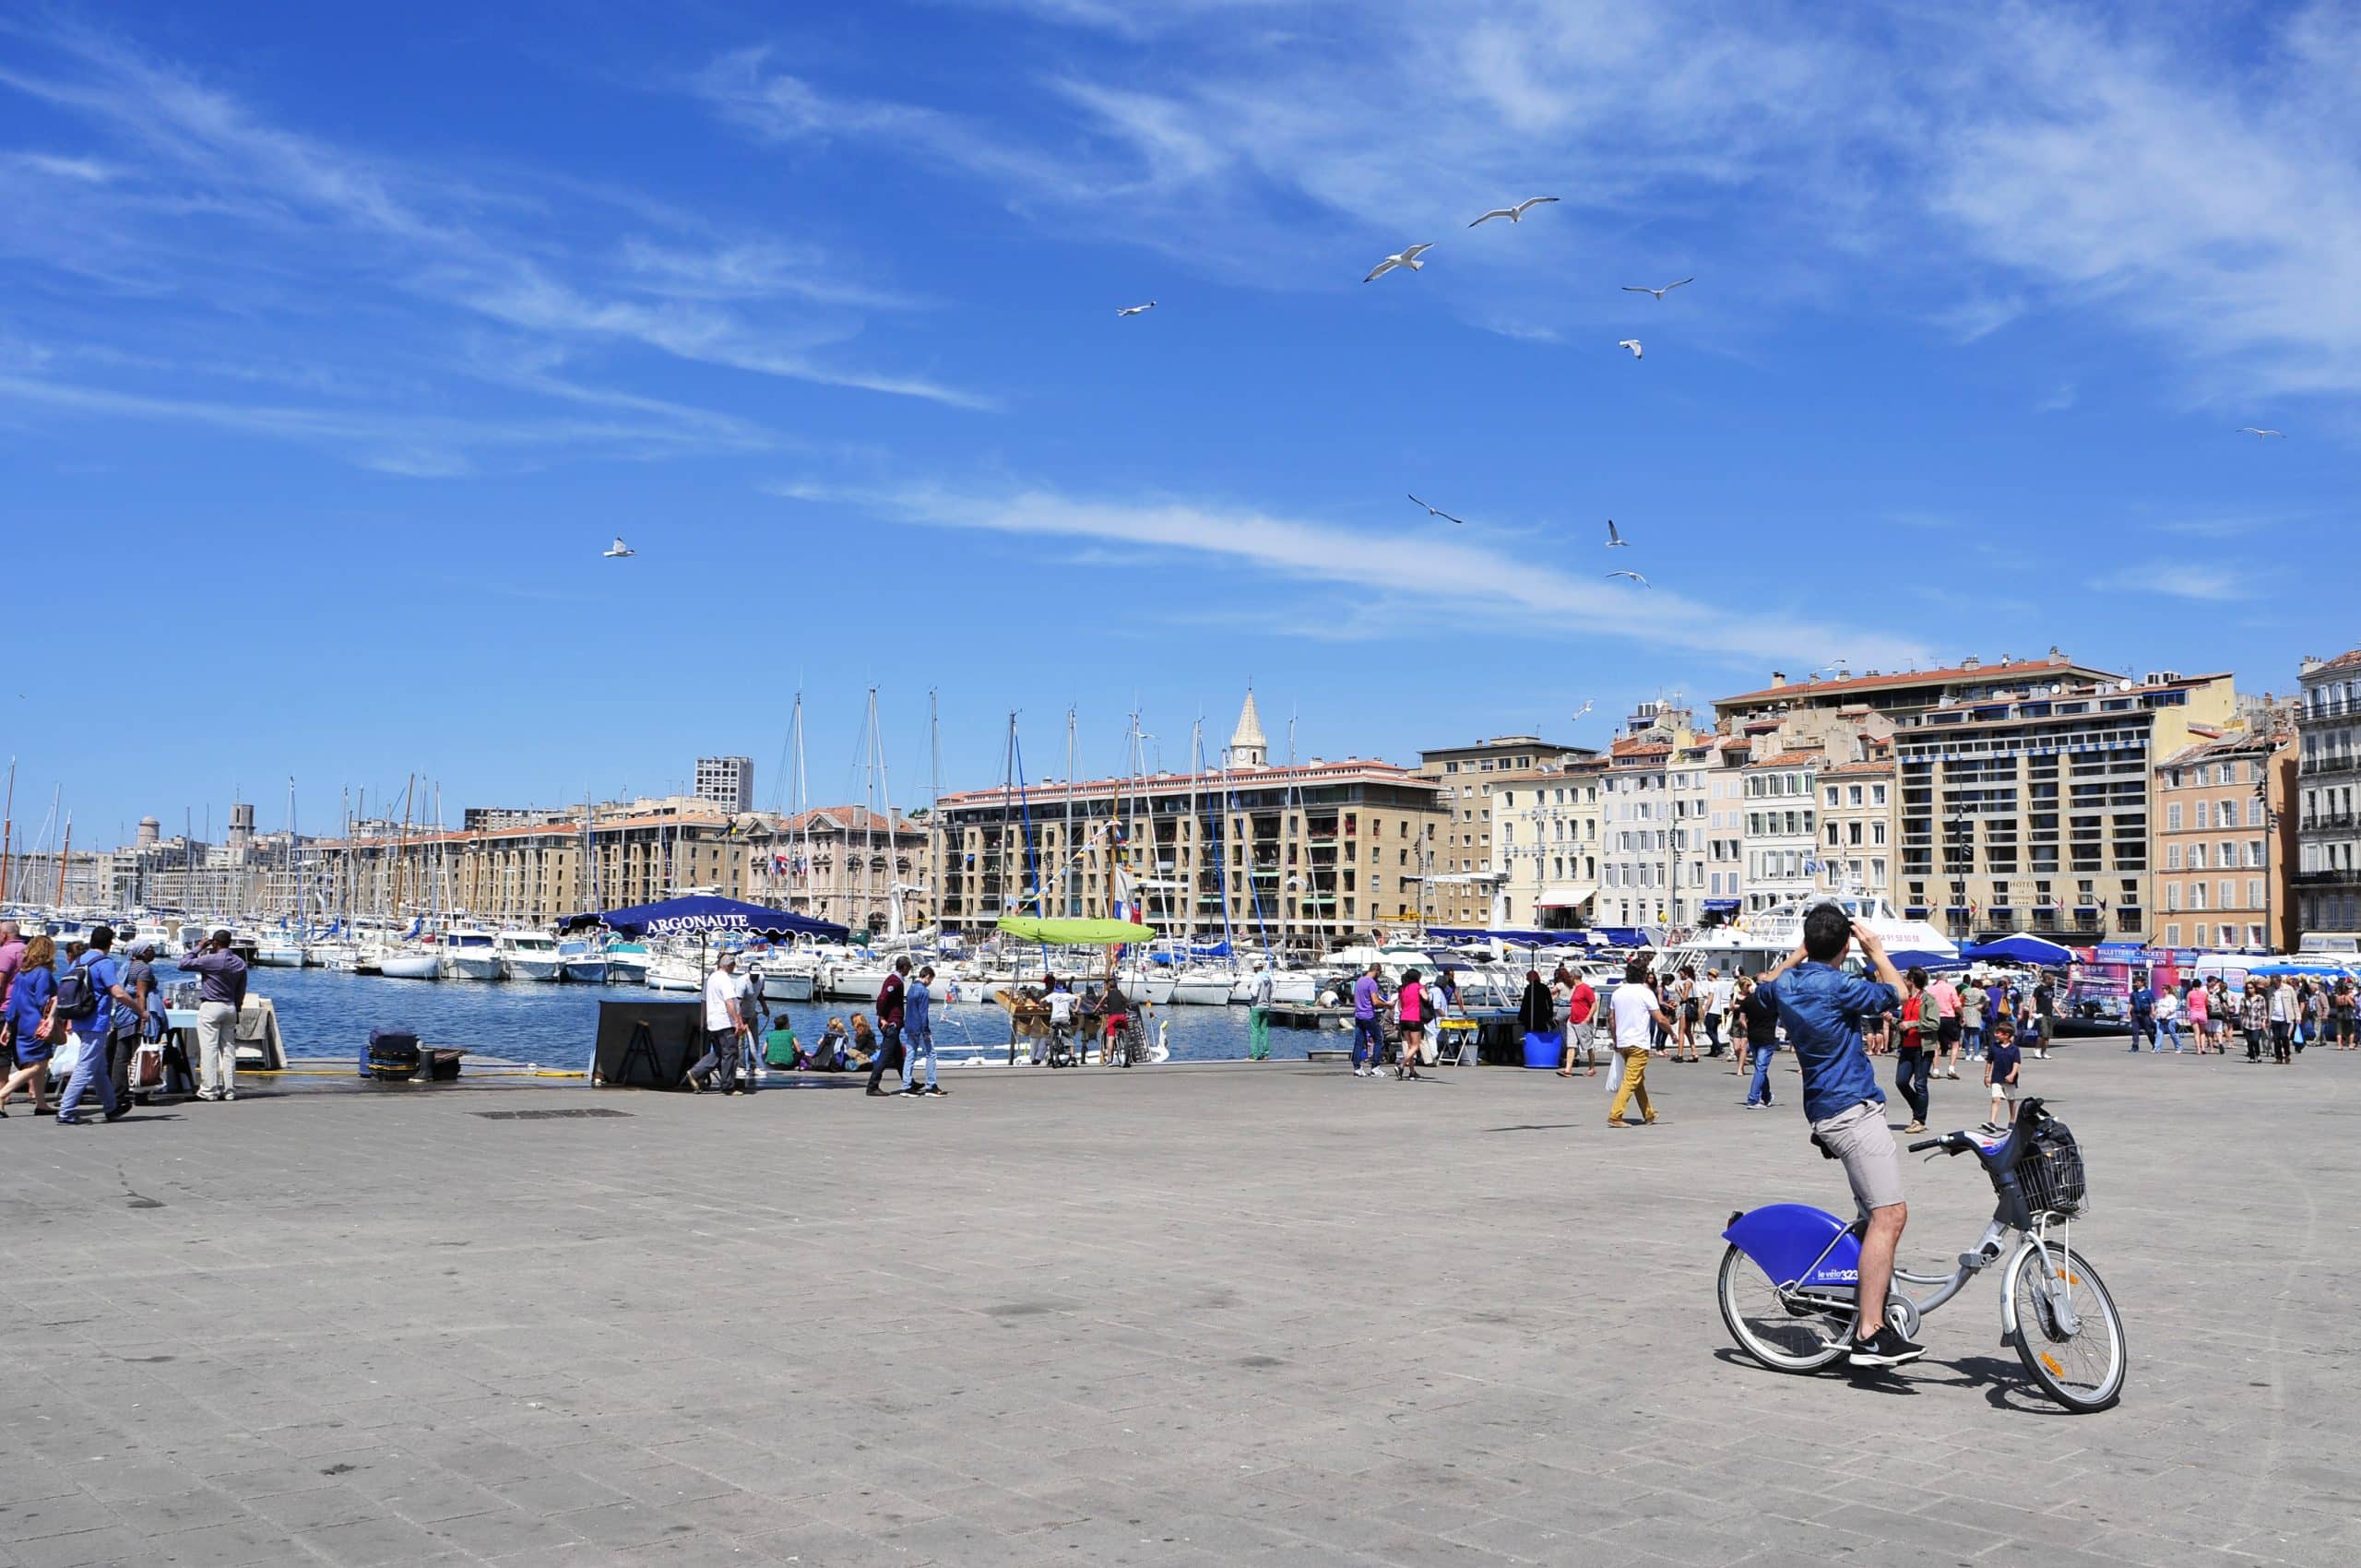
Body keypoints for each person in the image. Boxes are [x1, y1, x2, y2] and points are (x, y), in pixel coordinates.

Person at [1760, 904, 1916, 1368]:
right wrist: (1878, 950)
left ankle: (1854, 1300)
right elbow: (1897, 993)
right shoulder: (1840, 985)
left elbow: (1766, 983)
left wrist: (1797, 954)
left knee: (1872, 1217)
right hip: (1852, 1110)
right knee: (1891, 1216)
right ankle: (1869, 1331)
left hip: (1826, 1109)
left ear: (1808, 943)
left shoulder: (1787, 985)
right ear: (1845, 946)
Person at [57, 924, 132, 1124]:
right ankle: (66, 1111)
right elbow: (117, 992)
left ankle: (111, 1106)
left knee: (99, 1066)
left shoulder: (79, 960)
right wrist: (138, 1009)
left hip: (78, 1018)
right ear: (110, 943)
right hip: (95, 1021)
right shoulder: (105, 962)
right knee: (86, 1067)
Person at [177, 928, 249, 1101]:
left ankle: (209, 1090)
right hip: (230, 1006)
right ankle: (230, 1090)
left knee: (209, 1049)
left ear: (214, 943)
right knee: (228, 1050)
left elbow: (183, 964)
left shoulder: (209, 960)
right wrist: (237, 1006)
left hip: (211, 1006)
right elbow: (241, 989)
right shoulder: (240, 963)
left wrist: (199, 947)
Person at [0, 934, 61, 1116]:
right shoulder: (43, 974)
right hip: (38, 1024)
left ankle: (41, 1103)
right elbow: (43, 1001)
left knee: (36, 1063)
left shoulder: (22, 974)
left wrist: (9, 1026)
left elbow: (14, 1003)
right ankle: (2, 1094)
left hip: (22, 1024)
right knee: (38, 1066)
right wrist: (58, 1000)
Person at [1608, 956, 1671, 1127]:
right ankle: (1615, 1115)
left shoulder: (1618, 992)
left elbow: (1611, 1019)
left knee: (1637, 1079)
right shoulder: (1646, 993)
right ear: (1643, 975)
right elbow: (1660, 1019)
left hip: (1623, 1042)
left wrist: (1615, 1039)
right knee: (1631, 1081)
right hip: (1638, 1043)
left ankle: (1648, 1113)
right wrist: (1672, 1033)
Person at [688, 950, 749, 1094]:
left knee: (718, 1053)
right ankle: (728, 1086)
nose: (734, 967)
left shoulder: (712, 978)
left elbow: (705, 1001)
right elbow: (729, 1002)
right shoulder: (725, 979)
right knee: (730, 1053)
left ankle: (695, 1073)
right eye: (733, 965)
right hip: (724, 1022)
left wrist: (704, 1020)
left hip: (713, 1022)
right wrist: (737, 1022)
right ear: (729, 965)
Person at [108, 941, 160, 1105]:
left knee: (121, 1055)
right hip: (134, 1015)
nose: (153, 951)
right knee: (137, 1055)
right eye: (150, 949)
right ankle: (140, 1093)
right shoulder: (143, 969)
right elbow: (141, 994)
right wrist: (143, 1016)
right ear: (143, 953)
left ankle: (118, 1093)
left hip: (123, 1013)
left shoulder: (126, 966)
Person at [1892, 968, 1934, 1134]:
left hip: (1923, 1048)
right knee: (1901, 1082)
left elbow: (1934, 1023)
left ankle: (1919, 1120)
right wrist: (1893, 1020)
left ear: (1912, 981)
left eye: (1905, 978)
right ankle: (1919, 1109)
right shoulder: (1908, 1000)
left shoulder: (1928, 1000)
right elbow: (1903, 1022)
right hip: (1907, 1046)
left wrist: (1911, 1024)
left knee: (1920, 1084)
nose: (1903, 980)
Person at [866, 959, 910, 1095]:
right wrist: (882, 1017)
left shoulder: (895, 979)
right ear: (903, 967)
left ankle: (909, 1082)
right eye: (909, 967)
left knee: (898, 1056)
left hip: (893, 1023)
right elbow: (882, 998)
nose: (909, 970)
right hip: (891, 1023)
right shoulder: (895, 981)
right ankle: (872, 1086)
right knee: (885, 1055)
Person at [900, 965, 944, 1096]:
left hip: (909, 1026)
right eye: (930, 980)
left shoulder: (911, 988)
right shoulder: (924, 991)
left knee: (910, 1056)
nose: (930, 983)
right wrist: (926, 1032)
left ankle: (906, 1085)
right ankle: (931, 1085)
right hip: (920, 1027)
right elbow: (923, 1013)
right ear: (927, 976)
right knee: (931, 1054)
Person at [1738, 971, 1780, 1108]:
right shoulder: (1772, 1001)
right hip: (1767, 1038)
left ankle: (1766, 1096)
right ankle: (1753, 1099)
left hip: (1753, 1036)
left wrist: (1749, 1028)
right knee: (1761, 1068)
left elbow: (1741, 1019)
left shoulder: (1748, 999)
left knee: (1760, 1068)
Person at [1984, 1019, 2023, 1131]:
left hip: (2010, 1078)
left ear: (2006, 1035)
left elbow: (2016, 1063)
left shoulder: (2014, 1049)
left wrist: (2012, 1075)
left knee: (2011, 1099)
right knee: (1995, 1099)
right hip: (1996, 1077)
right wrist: (1987, 1076)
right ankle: (1992, 1122)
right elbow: (1989, 1062)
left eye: (1999, 1033)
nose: (1996, 1034)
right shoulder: (1994, 1047)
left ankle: (2012, 1121)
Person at [1559, 969, 1598, 1078]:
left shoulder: (1585, 988)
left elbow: (1594, 1005)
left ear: (1573, 977)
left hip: (1583, 1020)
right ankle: (1568, 1069)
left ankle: (1591, 1068)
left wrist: (1587, 1018)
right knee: (1571, 1045)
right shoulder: (1574, 989)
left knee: (1588, 1045)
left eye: (1570, 977)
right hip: (1572, 1020)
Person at [1356, 965, 1394, 1078]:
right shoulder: (1372, 983)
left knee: (1359, 1041)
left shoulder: (1359, 981)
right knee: (1378, 1040)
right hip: (1368, 1015)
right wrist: (1388, 1004)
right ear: (1376, 971)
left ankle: (1357, 1068)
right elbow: (1375, 1002)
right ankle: (1375, 1067)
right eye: (1380, 972)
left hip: (1358, 1015)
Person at [1924, 968, 1962, 1078]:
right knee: (1955, 1043)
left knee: (1936, 1045)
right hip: (1949, 1017)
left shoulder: (1930, 990)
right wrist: (1962, 1015)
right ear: (1946, 979)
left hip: (1934, 1018)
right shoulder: (1951, 988)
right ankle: (1951, 1068)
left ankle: (1935, 1070)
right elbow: (1957, 1005)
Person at [1394, 968, 1429, 1080]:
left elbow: (1399, 1006)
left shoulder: (1403, 989)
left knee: (1410, 1047)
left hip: (1403, 1018)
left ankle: (1412, 1072)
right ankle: (1401, 1065)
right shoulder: (1419, 986)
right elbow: (1426, 997)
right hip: (1415, 1018)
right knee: (1415, 1046)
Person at [1098, 975, 1133, 1064]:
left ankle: (1109, 1060)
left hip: (1113, 1017)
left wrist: (1095, 1009)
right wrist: (1127, 1006)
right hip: (1122, 1016)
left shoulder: (1107, 993)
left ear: (1109, 986)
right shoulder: (1119, 992)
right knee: (1125, 1032)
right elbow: (1126, 1000)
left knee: (1111, 1038)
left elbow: (1101, 1002)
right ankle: (1126, 1055)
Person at [1045, 980, 1078, 1066]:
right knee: (1069, 1037)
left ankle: (1049, 1056)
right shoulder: (1067, 995)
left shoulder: (1053, 995)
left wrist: (1043, 1005)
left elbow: (1042, 1000)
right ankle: (1072, 1058)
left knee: (1050, 1037)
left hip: (1054, 1018)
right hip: (1064, 1018)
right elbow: (1079, 998)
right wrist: (1076, 1009)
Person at [1957, 973, 1987, 1063]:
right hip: (1975, 1011)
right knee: (1975, 1034)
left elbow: (1960, 1001)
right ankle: (1977, 1054)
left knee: (1966, 1035)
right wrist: (1981, 1005)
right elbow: (1987, 999)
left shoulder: (1965, 991)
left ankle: (1967, 1054)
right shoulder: (1981, 992)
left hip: (1966, 1011)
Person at [1247, 963, 1275, 1061]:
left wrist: (1249, 987)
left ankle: (1254, 1055)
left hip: (1256, 1006)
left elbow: (1254, 993)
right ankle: (1265, 1054)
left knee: (1254, 1031)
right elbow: (1272, 993)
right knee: (1265, 1030)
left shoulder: (1257, 978)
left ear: (1255, 968)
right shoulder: (1269, 977)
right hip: (1266, 1006)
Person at [1701, 967, 1729, 1058]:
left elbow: (1711, 998)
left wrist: (1706, 1009)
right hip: (1718, 1011)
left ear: (1711, 975)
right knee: (1714, 1031)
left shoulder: (1712, 985)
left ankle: (1719, 1046)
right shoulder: (1719, 985)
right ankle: (1714, 1050)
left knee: (1709, 1030)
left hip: (1712, 1011)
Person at [2268, 974, 2296, 1065]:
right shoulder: (2270, 990)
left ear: (2280, 980)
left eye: (2275, 981)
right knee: (2276, 1038)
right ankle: (2278, 1057)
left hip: (2285, 1017)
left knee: (2284, 1036)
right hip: (2274, 1017)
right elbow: (2269, 1005)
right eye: (2273, 982)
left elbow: (2294, 1002)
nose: (2274, 983)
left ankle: (2287, 1054)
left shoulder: (2288, 989)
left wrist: (2298, 1016)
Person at [2127, 975, 2156, 1053]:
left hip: (2145, 1014)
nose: (2136, 983)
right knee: (2135, 1031)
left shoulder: (2148, 992)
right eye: (2136, 982)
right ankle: (2135, 1046)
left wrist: (2153, 1012)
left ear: (2143, 983)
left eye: (2138, 982)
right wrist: (2128, 1012)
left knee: (2149, 1031)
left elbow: (2152, 1003)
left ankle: (2154, 1044)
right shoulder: (2134, 993)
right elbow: (2131, 1003)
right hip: (2136, 1014)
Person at [2153, 982, 2186, 1053]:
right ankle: (2157, 1048)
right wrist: (2155, 1012)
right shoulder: (2161, 999)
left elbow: (2173, 1008)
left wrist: (2166, 1015)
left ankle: (2179, 1047)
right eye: (2162, 989)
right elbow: (2159, 1007)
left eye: (2164, 989)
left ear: (2168, 990)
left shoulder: (2172, 998)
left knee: (2172, 1033)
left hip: (2169, 1018)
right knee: (2159, 1033)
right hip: (2160, 1018)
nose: (2163, 990)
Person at [2031, 974, 2056, 1059]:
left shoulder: (2051, 989)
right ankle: (2037, 1049)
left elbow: (2052, 1002)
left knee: (2048, 1035)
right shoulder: (2039, 989)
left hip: (2050, 1014)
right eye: (2052, 980)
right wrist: (2031, 1012)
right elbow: (2033, 1000)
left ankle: (2044, 1052)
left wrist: (2060, 1013)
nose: (2054, 982)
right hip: (2041, 1014)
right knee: (2043, 1034)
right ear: (2047, 980)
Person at [2185, 977, 2212, 1055]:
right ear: (2200, 985)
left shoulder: (2190, 993)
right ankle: (2203, 1048)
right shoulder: (2204, 994)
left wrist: (2187, 1015)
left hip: (2193, 1013)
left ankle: (2198, 1049)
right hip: (2202, 1013)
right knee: (2202, 1032)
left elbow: (2187, 1006)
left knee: (2196, 1033)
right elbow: (2207, 1003)